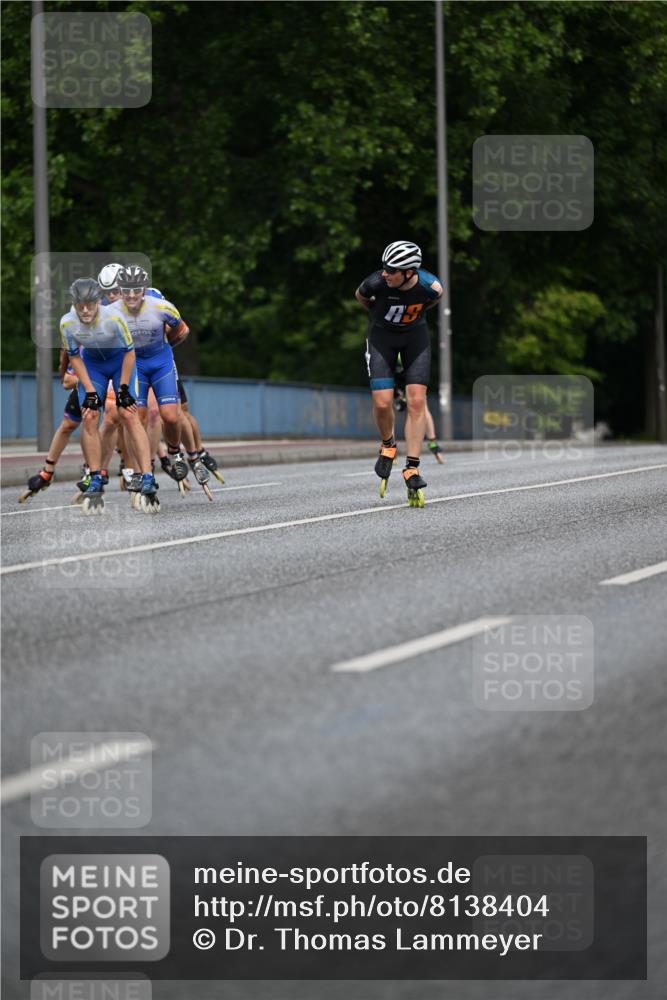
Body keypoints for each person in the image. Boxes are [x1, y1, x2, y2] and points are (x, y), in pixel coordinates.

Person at [111, 265, 213, 497]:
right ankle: (137, 470)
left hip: (161, 363)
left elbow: (182, 331)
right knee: (134, 416)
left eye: (136, 290)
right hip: (134, 365)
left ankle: (175, 452)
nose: (131, 295)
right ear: (120, 290)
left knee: (170, 415)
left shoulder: (162, 307)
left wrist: (166, 350)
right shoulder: (111, 311)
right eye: (126, 290)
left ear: (144, 289)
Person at [60, 277, 159, 513]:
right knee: (90, 415)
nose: (84, 310)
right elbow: (74, 357)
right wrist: (90, 390)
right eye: (79, 304)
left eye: (90, 304)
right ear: (74, 303)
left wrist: (124, 388)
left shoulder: (114, 318)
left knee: (129, 414)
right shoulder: (66, 323)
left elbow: (129, 353)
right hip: (93, 366)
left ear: (98, 301)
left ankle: (146, 475)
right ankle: (94, 475)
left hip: (119, 362)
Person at [355, 241, 443, 506]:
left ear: (408, 272)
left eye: (391, 270)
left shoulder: (431, 286)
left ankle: (412, 466)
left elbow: (434, 300)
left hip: (415, 339)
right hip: (382, 338)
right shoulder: (375, 283)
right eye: (384, 268)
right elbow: (360, 297)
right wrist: (380, 317)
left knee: (417, 401)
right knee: (382, 402)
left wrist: (410, 318)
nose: (385, 273)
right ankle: (388, 444)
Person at [393, 364, 444, 463]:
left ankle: (433, 443)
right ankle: (390, 447)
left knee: (422, 405)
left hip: (409, 365)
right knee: (387, 405)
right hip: (394, 367)